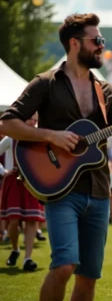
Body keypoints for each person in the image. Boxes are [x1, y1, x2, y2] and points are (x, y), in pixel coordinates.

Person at [0, 13, 112, 301]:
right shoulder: (46, 83)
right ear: (74, 43)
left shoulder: (105, 90)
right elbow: (8, 123)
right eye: (96, 40)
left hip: (99, 191)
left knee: (87, 278)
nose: (101, 46)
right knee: (64, 266)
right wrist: (51, 136)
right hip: (60, 189)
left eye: (102, 40)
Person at [0, 114, 44, 271]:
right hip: (14, 180)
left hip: (32, 181)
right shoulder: (11, 138)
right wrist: (3, 171)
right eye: (30, 118)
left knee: (31, 220)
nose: (33, 121)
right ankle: (15, 249)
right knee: (13, 220)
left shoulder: (40, 137)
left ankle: (28, 258)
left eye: (35, 119)